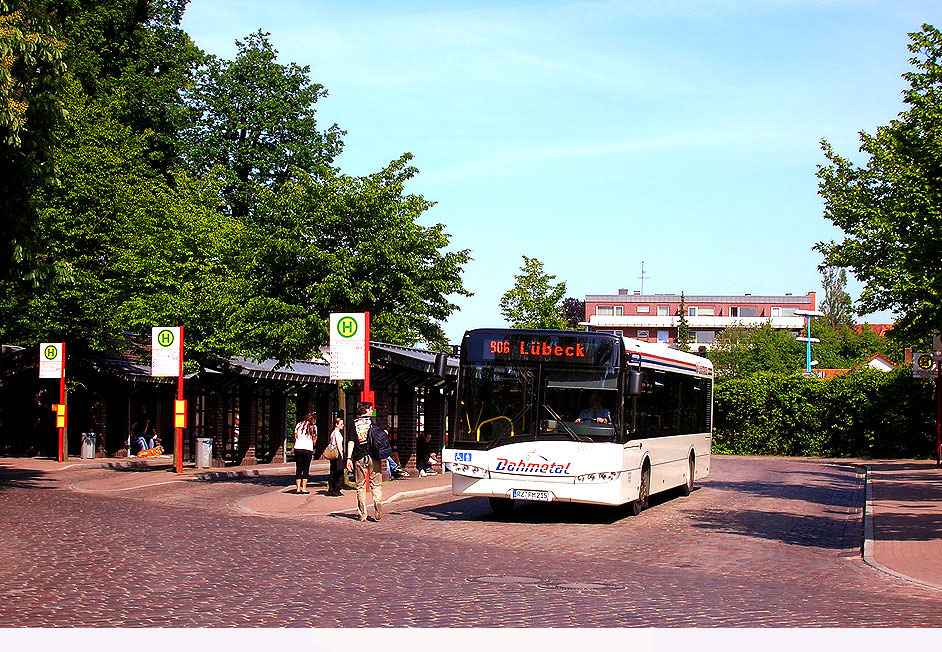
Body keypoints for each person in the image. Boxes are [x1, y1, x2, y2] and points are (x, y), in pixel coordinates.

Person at [346, 401, 383, 521]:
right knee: (376, 483)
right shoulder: (374, 422)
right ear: (365, 410)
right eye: (370, 409)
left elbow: (351, 441)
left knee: (360, 486)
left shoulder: (354, 423)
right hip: (374, 456)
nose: (372, 411)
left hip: (359, 457)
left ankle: (363, 513)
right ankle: (377, 502)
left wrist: (348, 458)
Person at [293, 412, 316, 494]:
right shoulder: (313, 427)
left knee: (298, 468)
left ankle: (298, 488)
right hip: (307, 449)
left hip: (298, 448)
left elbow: (295, 436)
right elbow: (314, 439)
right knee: (306, 469)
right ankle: (304, 488)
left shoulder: (299, 425)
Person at [326, 417, 345, 496]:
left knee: (333, 471)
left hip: (333, 454)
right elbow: (338, 444)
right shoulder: (336, 433)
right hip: (337, 454)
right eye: (341, 424)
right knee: (339, 472)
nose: (342, 425)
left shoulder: (332, 433)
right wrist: (341, 454)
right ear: (336, 425)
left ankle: (332, 488)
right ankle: (336, 489)